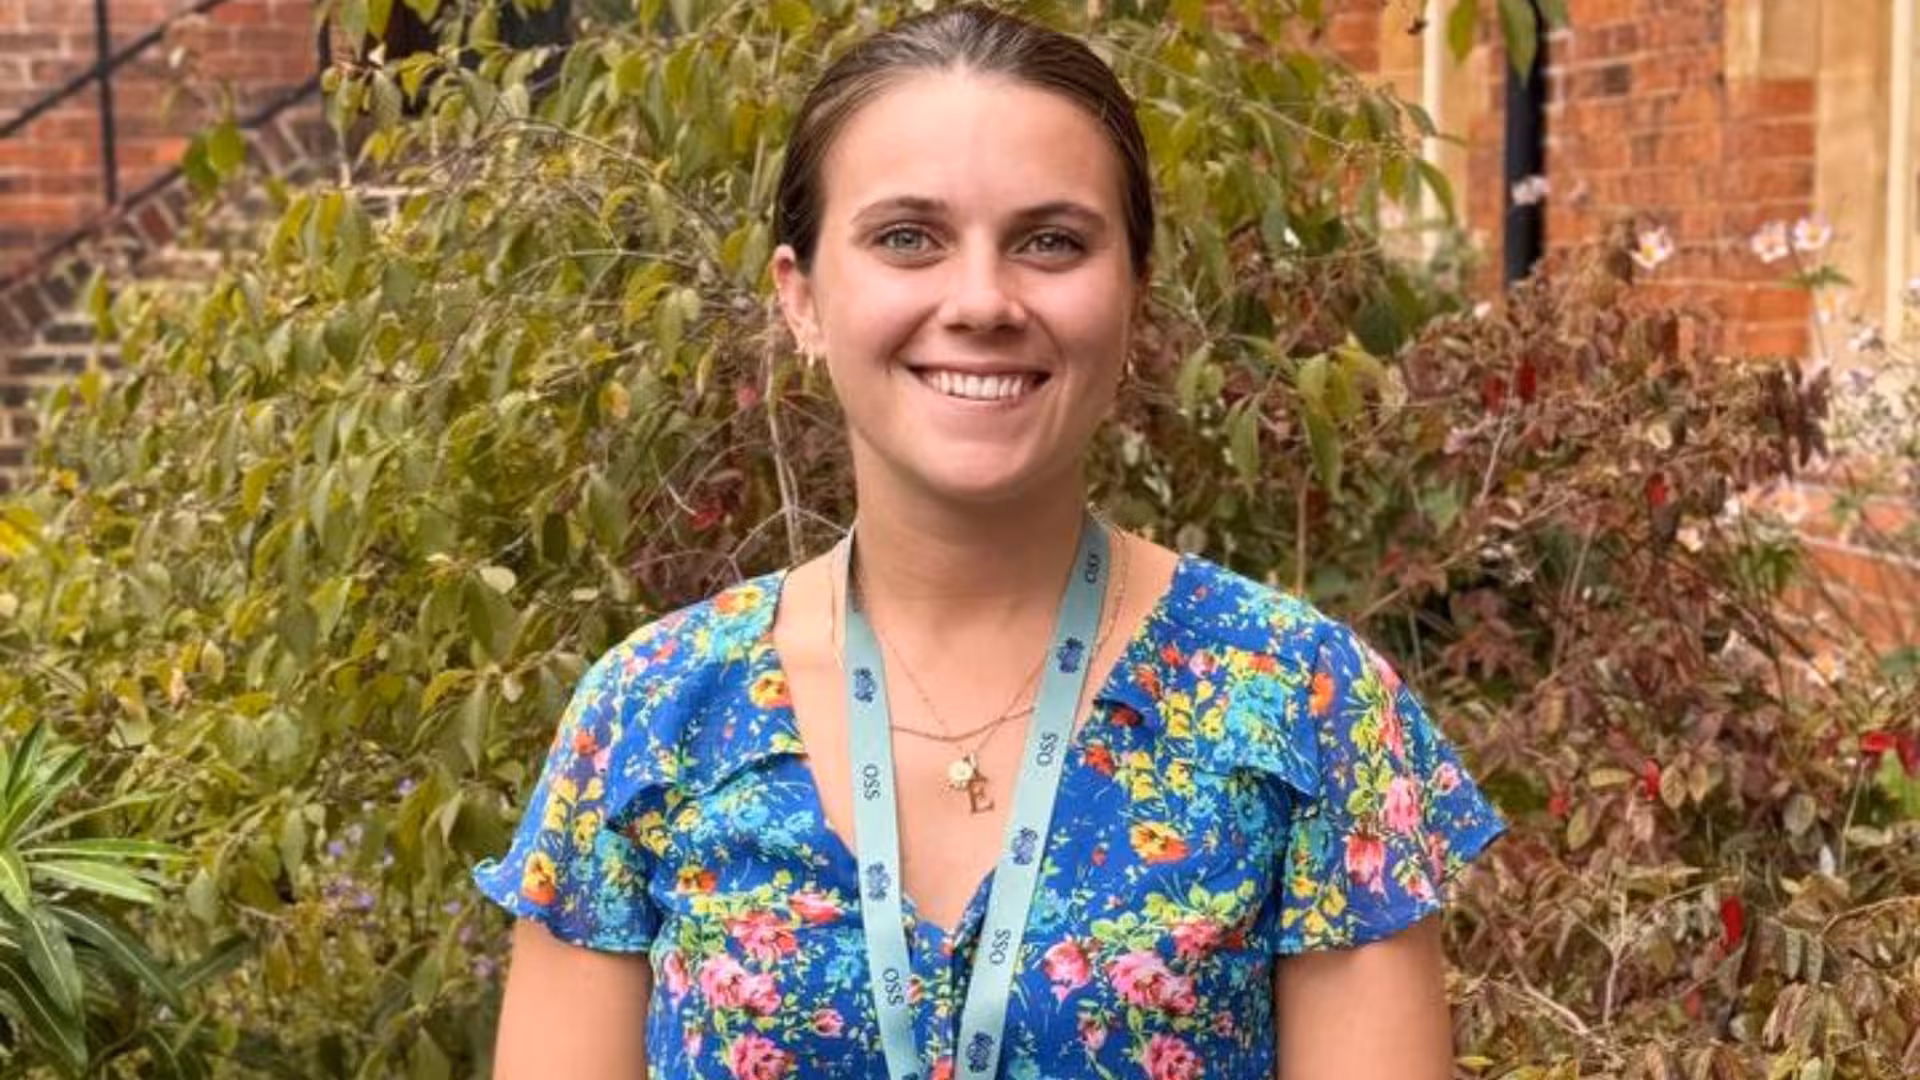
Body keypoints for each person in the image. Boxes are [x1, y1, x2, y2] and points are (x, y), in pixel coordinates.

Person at [474, 5, 1505, 1077]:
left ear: (1135, 295)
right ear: (803, 297)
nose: (982, 300)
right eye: (907, 238)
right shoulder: (650, 716)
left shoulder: (1303, 707)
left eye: (1050, 242)